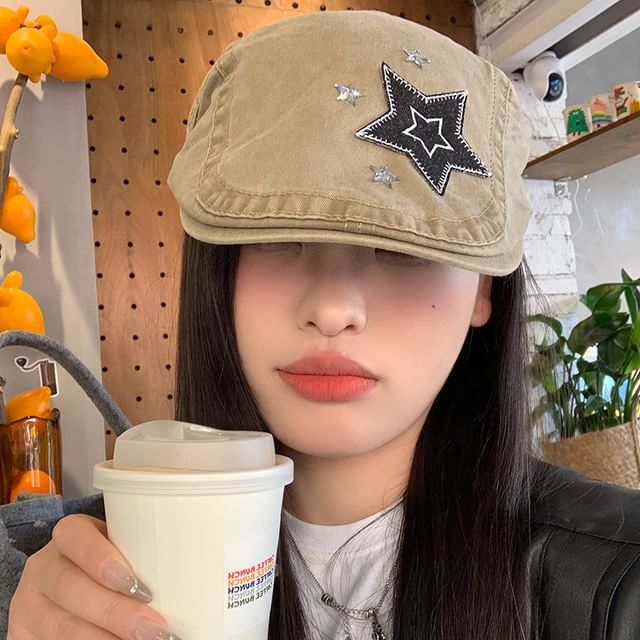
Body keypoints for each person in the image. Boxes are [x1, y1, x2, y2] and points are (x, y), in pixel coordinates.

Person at [3, 9, 640, 640]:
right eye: (275, 234)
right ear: (218, 269)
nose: (333, 310)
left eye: (400, 246)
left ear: (482, 289)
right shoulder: (66, 581)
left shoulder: (617, 587)